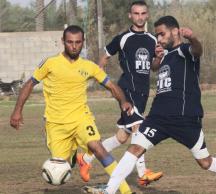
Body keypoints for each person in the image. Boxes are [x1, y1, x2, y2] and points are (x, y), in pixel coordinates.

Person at [82, 16, 216, 194]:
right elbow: (155, 68)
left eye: (162, 34)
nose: (159, 39)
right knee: (135, 148)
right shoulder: (165, 55)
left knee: (205, 162)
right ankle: (109, 190)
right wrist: (157, 58)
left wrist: (193, 38)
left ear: (175, 31)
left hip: (185, 118)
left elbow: (197, 50)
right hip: (158, 118)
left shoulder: (185, 51)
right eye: (157, 35)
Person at [9, 25, 136, 194]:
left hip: (81, 119)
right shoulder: (50, 63)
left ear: (82, 43)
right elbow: (29, 84)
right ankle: (77, 155)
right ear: (63, 42)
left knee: (98, 147)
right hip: (56, 124)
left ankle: (126, 191)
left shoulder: (89, 66)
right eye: (70, 42)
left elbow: (112, 86)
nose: (74, 46)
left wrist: (123, 101)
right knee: (60, 172)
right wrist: (17, 110)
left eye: (77, 42)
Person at [77, 0, 163, 187]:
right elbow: (105, 56)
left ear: (147, 15)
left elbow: (154, 67)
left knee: (122, 137)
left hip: (142, 93)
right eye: (136, 13)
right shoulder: (123, 38)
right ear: (130, 16)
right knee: (139, 128)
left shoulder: (152, 40)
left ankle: (86, 159)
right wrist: (100, 77)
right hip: (126, 90)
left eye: (143, 13)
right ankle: (142, 172)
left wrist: (160, 57)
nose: (139, 17)